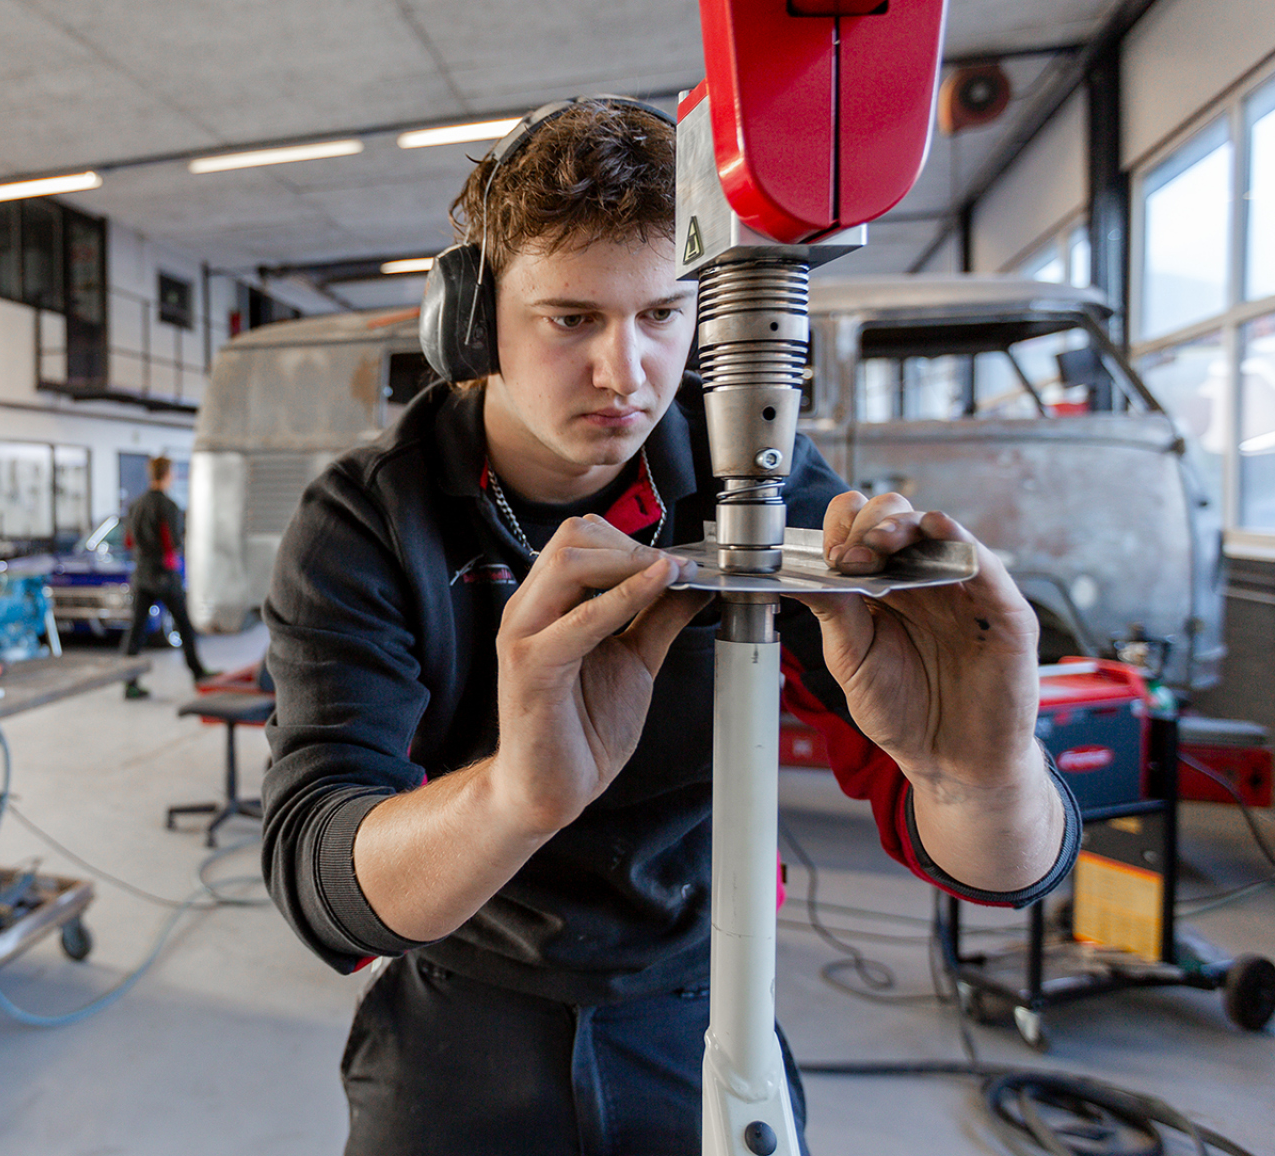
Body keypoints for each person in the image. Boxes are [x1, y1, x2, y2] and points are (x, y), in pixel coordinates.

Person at [259, 99, 1079, 1155]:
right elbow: (316, 874)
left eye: (658, 316)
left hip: (703, 1001)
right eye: (570, 319)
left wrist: (981, 776)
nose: (625, 371)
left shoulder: (749, 484)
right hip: (464, 1012)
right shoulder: (371, 517)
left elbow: (999, 864)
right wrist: (518, 795)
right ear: (471, 323)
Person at [120, 455, 210, 698]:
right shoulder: (168, 506)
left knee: (135, 632)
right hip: (164, 575)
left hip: (141, 575)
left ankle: (129, 683)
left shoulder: (135, 504)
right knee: (184, 625)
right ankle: (198, 673)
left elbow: (128, 541)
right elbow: (173, 543)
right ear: (168, 474)